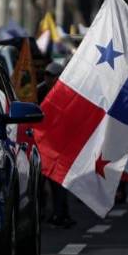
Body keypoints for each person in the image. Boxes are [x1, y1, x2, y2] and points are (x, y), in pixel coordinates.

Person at [37, 61, 75, 226]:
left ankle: (61, 214)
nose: (48, 78)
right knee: (38, 183)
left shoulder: (66, 93)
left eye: (52, 75)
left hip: (58, 145)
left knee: (59, 183)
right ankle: (39, 213)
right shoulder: (37, 91)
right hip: (40, 143)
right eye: (47, 74)